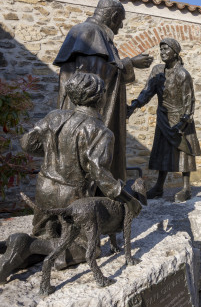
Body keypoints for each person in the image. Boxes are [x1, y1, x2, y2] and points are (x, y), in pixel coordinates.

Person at [0, 72, 141, 281]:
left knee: (47, 234)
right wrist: (128, 199)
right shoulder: (100, 131)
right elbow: (98, 171)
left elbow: (27, 142)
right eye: (103, 92)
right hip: (73, 194)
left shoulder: (54, 116)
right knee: (87, 248)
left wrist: (52, 151)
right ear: (98, 97)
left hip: (44, 187)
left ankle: (19, 247)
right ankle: (27, 244)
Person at [54, 0, 153, 182]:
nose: (121, 27)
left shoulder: (94, 34)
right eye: (121, 22)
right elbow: (93, 78)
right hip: (87, 117)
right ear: (114, 16)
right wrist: (130, 62)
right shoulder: (89, 32)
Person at [127, 38, 201, 202]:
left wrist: (183, 123)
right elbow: (147, 92)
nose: (162, 53)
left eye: (166, 49)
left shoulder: (182, 74)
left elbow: (190, 101)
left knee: (183, 153)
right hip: (163, 117)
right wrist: (133, 107)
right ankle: (159, 187)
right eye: (161, 50)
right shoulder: (157, 71)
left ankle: (186, 187)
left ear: (175, 53)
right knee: (162, 152)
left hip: (180, 118)